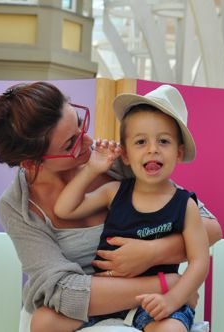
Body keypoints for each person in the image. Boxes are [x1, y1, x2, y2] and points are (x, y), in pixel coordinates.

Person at [0, 81, 222, 332]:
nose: (87, 141)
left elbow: (210, 228)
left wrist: (152, 252)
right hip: (80, 311)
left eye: (80, 124)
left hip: (145, 303)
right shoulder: (18, 206)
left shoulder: (116, 160)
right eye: (70, 143)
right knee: (42, 322)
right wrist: (166, 283)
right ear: (30, 162)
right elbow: (61, 291)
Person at [54, 84, 209, 331]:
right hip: (109, 298)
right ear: (125, 155)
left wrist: (172, 300)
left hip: (155, 304)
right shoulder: (114, 192)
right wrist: (93, 169)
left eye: (163, 141)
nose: (152, 149)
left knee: (172, 329)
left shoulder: (185, 205)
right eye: (140, 142)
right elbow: (64, 210)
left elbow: (199, 262)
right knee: (43, 320)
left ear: (178, 153)